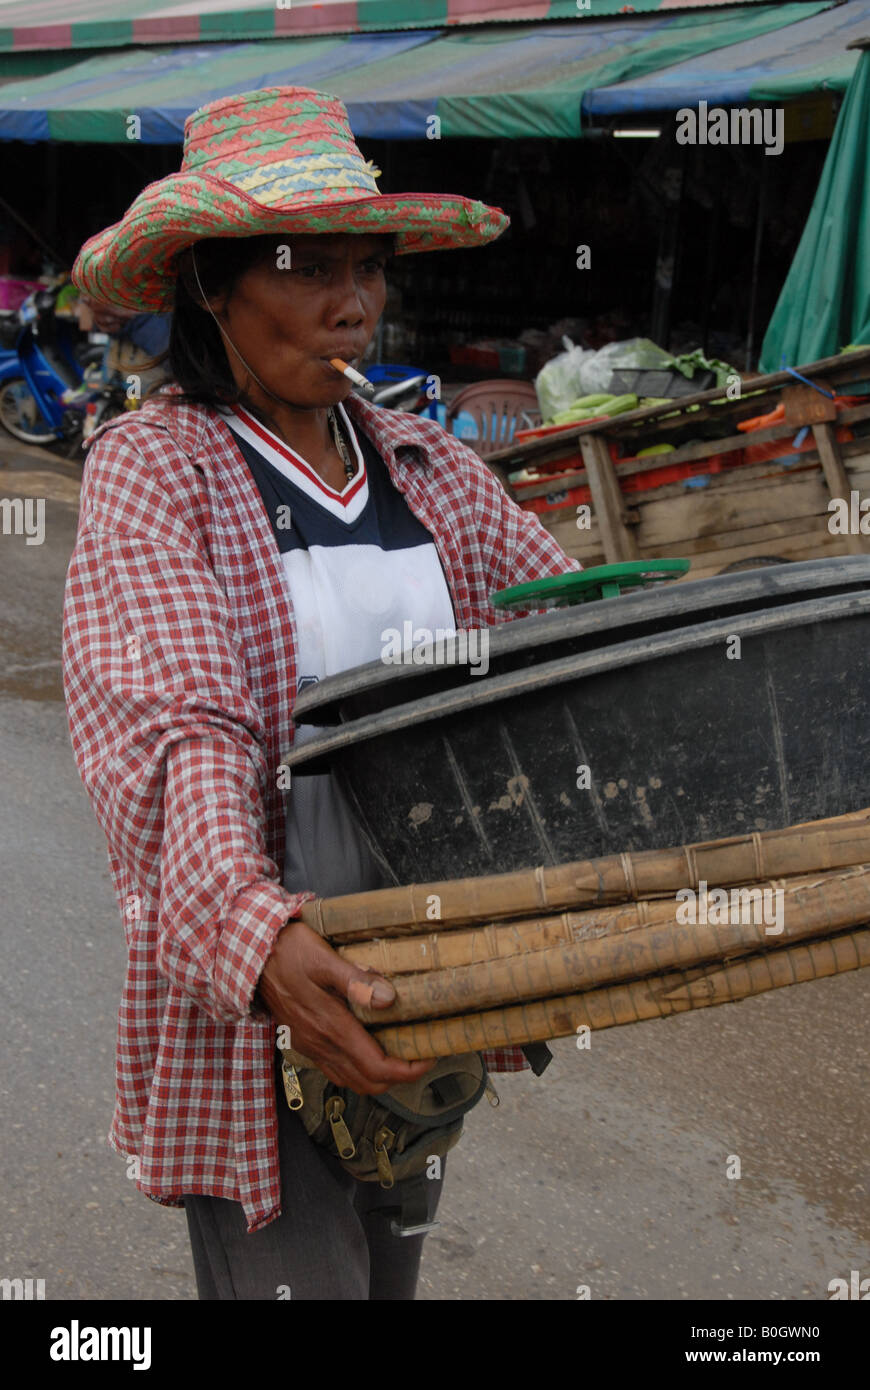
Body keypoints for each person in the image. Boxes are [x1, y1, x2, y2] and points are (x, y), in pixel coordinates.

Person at [62, 85, 581, 1301]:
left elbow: (566, 634)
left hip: (418, 989)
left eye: (369, 267)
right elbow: (174, 725)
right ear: (211, 282)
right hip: (263, 1003)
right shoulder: (159, 465)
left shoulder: (424, 464)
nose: (354, 302)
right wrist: (258, 934)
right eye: (310, 268)